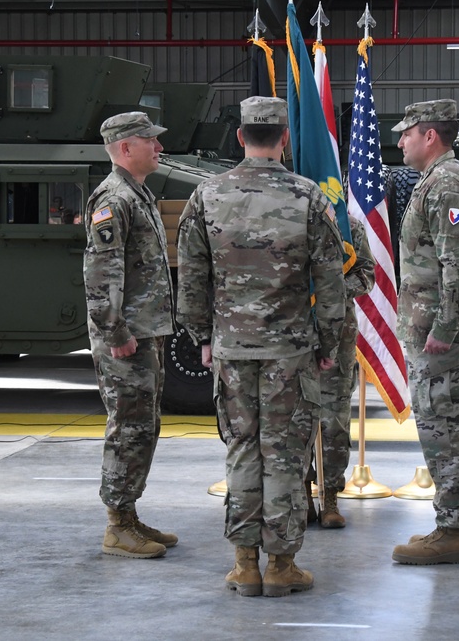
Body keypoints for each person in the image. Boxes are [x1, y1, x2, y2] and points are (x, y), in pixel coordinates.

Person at [176, 96, 346, 597]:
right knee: (285, 455)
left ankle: (244, 563)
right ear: (285, 139)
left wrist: (201, 336)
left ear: (240, 136)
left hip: (231, 349)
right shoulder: (308, 196)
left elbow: (192, 277)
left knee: (242, 450)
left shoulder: (206, 195)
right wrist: (329, 341)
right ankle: (282, 566)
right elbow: (331, 280)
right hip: (290, 351)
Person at [389, 99, 459, 565]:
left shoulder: (447, 183)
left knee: (441, 424)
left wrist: (444, 327)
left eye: (406, 133)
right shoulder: (439, 180)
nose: (400, 141)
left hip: (440, 330)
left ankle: (451, 529)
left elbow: (458, 264)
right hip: (437, 325)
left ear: (429, 135)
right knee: (451, 421)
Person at [84, 111, 177, 559]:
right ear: (125, 148)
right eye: (150, 141)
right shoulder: (113, 198)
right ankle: (118, 525)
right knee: (128, 427)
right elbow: (102, 273)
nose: (158, 148)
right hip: (125, 337)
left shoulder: (137, 194)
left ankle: (129, 514)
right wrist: (114, 329)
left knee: (144, 425)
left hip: (143, 332)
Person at [312, 217, 374, 529]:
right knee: (290, 415)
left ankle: (330, 494)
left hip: (338, 330)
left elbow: (366, 274)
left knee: (334, 415)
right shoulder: (289, 214)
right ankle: (298, 492)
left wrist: (328, 290)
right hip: (291, 329)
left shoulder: (347, 225)